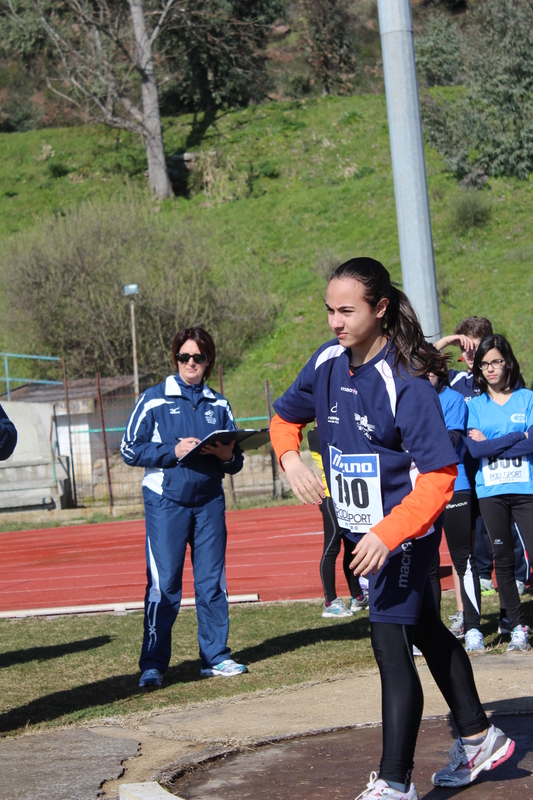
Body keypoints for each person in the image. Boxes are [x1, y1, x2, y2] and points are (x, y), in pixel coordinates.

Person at [270, 258, 514, 799]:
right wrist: (290, 459)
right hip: (363, 535)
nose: (335, 320)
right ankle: (479, 736)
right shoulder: (327, 363)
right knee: (426, 628)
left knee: (389, 643)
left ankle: (396, 783)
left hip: (402, 535)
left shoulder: (407, 385)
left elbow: (438, 477)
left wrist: (389, 533)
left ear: (380, 310)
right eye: (329, 309)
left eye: (347, 310)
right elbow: (283, 418)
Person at [121, 327, 247, 687]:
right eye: (184, 357)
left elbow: (235, 461)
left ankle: (216, 657)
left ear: (209, 361)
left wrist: (228, 455)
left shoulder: (219, 404)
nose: (191, 363)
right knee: (165, 586)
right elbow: (129, 449)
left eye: (198, 357)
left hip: (209, 502)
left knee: (212, 584)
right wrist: (171, 452)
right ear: (175, 358)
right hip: (166, 503)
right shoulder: (153, 399)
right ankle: (153, 665)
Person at [466, 333, 533, 652]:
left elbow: (532, 443)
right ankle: (518, 626)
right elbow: (475, 450)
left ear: (508, 362)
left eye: (496, 361)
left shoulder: (527, 399)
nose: (490, 368)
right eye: (484, 363)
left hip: (526, 489)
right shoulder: (476, 405)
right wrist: (516, 436)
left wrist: (493, 444)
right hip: (491, 492)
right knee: (502, 560)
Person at [426, 368, 484, 652]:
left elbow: (451, 442)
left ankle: (473, 626)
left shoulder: (452, 399)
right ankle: (431, 633)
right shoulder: (411, 398)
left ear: (440, 373)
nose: (424, 377)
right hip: (421, 487)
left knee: (463, 558)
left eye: (430, 372)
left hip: (454, 484)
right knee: (427, 563)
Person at [307, 426, 369, 618]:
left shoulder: (339, 430)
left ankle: (357, 596)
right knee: (332, 548)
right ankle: (330, 601)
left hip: (347, 496)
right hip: (331, 498)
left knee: (352, 547)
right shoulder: (316, 434)